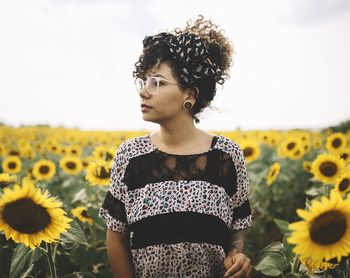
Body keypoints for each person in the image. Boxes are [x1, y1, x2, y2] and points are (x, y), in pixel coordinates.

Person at [99, 15, 252, 278]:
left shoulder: (226, 155)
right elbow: (116, 238)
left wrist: (236, 254)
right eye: (144, 81)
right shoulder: (131, 156)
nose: (143, 92)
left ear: (190, 95)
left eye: (157, 83)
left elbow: (237, 223)